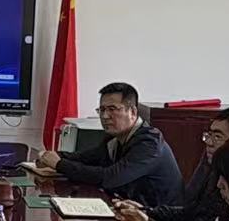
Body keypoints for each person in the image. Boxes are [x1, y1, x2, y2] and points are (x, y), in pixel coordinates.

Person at [113, 106, 229, 221]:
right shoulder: (214, 171)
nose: (208, 142)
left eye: (217, 137)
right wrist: (145, 212)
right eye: (209, 135)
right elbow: (189, 212)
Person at [34, 82, 182, 205]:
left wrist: (59, 164)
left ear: (132, 112)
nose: (105, 116)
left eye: (112, 109)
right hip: (130, 211)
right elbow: (86, 158)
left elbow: (110, 178)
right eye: (102, 109)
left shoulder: (149, 143)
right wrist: (51, 157)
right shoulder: (115, 137)